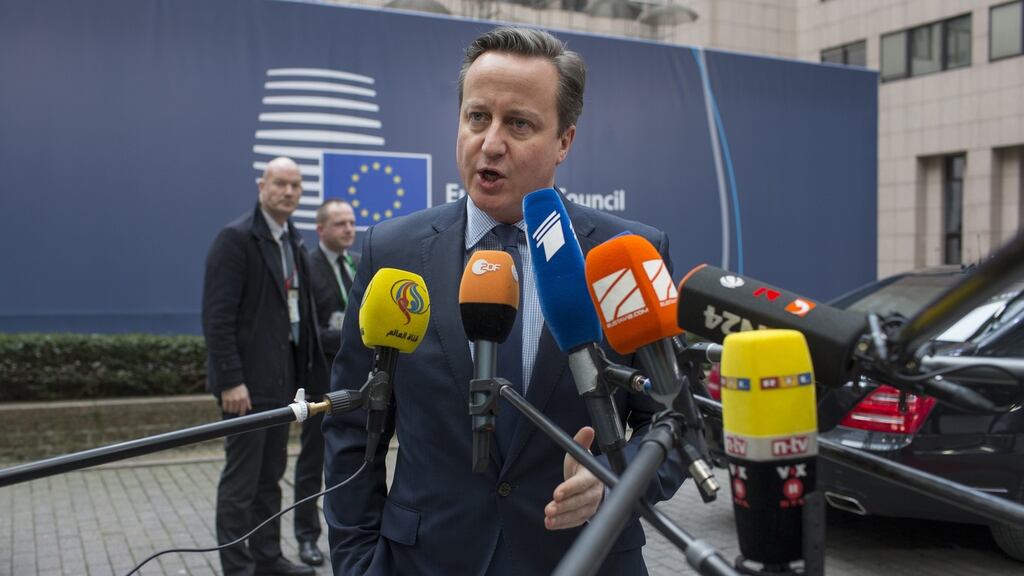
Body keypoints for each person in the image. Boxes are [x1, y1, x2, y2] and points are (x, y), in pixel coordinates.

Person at [322, 26, 685, 575]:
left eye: (519, 123)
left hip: (585, 559)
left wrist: (615, 481)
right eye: (477, 118)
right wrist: (356, 565)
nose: (490, 144)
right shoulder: (392, 251)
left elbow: (674, 421)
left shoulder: (626, 255)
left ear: (565, 140)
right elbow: (353, 428)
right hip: (424, 561)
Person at [202, 156, 326, 576]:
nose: (288, 192)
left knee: (270, 477)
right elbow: (217, 317)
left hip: (282, 382)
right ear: (262, 185)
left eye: (295, 185)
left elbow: (299, 319)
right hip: (246, 387)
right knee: (241, 482)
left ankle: (267, 558)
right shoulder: (235, 240)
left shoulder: (294, 242)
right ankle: (237, 568)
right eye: (280, 184)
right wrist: (230, 381)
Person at [294, 199, 360, 566]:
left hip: (354, 385)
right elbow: (310, 332)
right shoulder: (309, 267)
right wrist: (354, 335)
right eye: (339, 224)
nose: (349, 229)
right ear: (321, 229)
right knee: (312, 464)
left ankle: (353, 530)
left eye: (351, 222)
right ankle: (306, 537)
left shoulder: (357, 264)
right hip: (320, 383)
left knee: (351, 460)